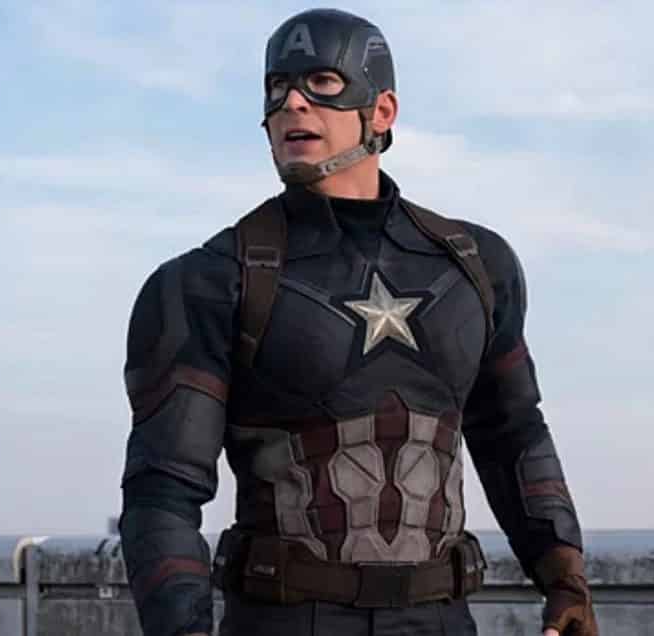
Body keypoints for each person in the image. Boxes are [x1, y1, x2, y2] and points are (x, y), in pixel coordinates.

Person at [117, 8, 598, 636]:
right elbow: (163, 489)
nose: (291, 103)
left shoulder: (476, 267)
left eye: (322, 82)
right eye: (276, 88)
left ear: (383, 110)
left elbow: (513, 432)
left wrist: (564, 578)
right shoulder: (208, 281)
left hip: (442, 620)